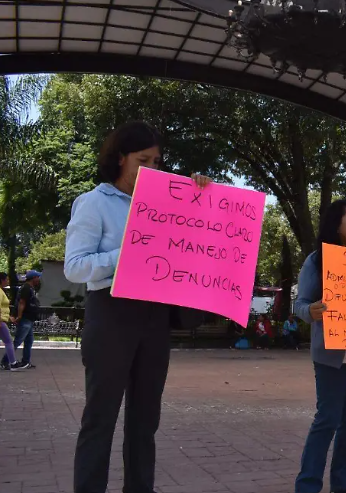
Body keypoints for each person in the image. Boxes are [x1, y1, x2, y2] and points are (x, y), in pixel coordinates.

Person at [64, 120, 212, 493]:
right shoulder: (94, 202)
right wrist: (128, 251)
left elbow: (196, 239)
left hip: (155, 315)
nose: (152, 169)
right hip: (110, 314)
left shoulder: (168, 202)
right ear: (120, 158)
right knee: (100, 419)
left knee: (145, 422)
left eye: (157, 162)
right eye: (143, 160)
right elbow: (75, 267)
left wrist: (201, 195)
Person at [294, 198, 346, 493]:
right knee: (327, 420)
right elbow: (300, 304)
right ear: (336, 225)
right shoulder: (316, 260)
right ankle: (307, 486)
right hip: (331, 356)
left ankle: (343, 486)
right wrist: (311, 311)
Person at [2, 269, 42, 370]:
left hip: (29, 319)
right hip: (25, 318)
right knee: (17, 341)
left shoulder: (30, 288)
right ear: (33, 278)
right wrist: (19, 316)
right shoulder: (26, 288)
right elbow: (21, 302)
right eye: (38, 277)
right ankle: (5, 361)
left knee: (29, 341)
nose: (39, 279)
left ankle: (26, 361)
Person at [0, 272, 21, 370]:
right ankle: (13, 363)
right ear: (2, 280)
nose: (8, 281)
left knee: (8, 341)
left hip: (3, 320)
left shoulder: (1, 291)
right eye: (7, 279)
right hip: (1, 321)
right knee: (8, 341)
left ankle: (13, 363)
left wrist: (9, 317)